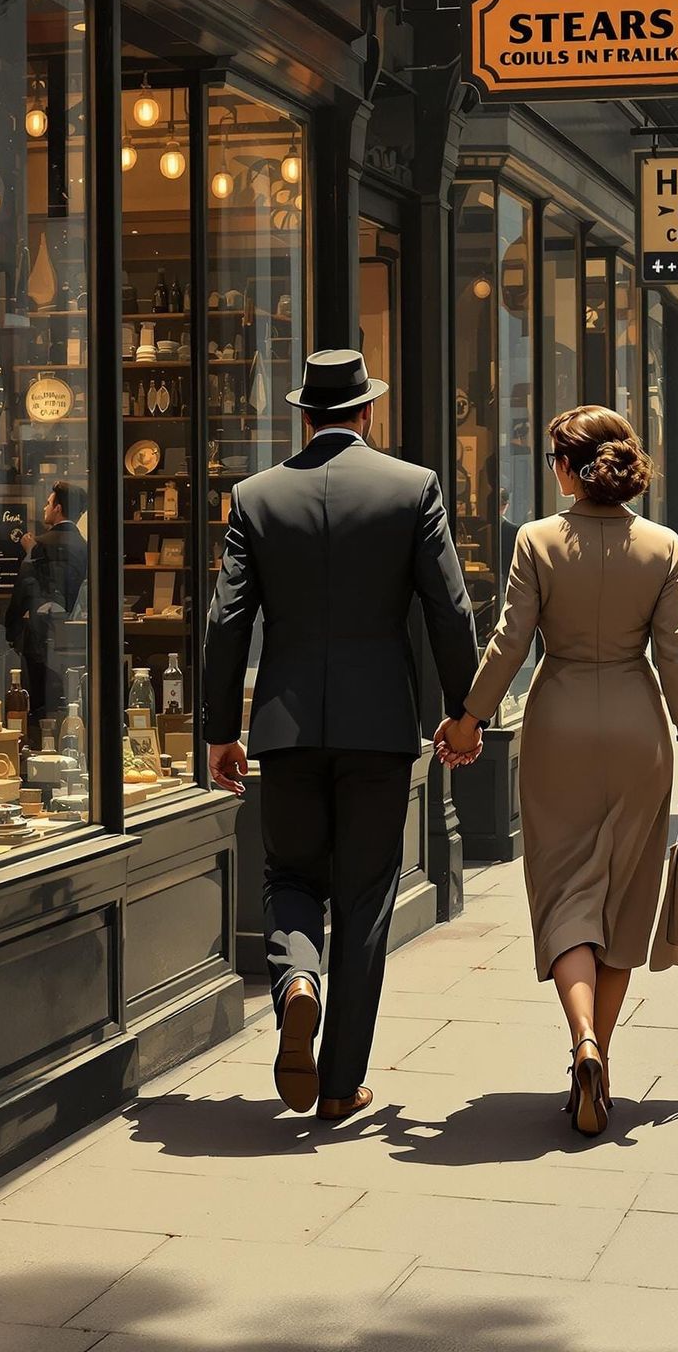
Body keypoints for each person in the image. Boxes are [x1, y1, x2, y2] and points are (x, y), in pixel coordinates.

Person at [203, 349, 478, 1125]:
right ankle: (338, 1084)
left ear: (304, 416)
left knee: (290, 875)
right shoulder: (412, 488)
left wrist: (221, 729)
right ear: (366, 415)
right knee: (364, 895)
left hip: (286, 726)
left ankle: (295, 982)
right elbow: (450, 611)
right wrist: (464, 711)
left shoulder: (255, 498)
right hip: (378, 727)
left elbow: (226, 623)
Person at [436, 406, 678, 1138]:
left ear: (567, 466)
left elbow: (510, 640)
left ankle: (580, 1037)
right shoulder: (662, 545)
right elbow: (675, 654)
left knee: (564, 893)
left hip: (557, 726)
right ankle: (600, 1058)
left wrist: (468, 720)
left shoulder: (537, 541)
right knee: (623, 900)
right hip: (637, 730)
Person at [4, 480, 88, 724]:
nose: (44, 507)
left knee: (39, 700)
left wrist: (11, 628)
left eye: (49, 503)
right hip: (75, 634)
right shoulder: (85, 547)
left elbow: (24, 591)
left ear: (59, 508)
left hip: (41, 632)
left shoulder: (39, 545)